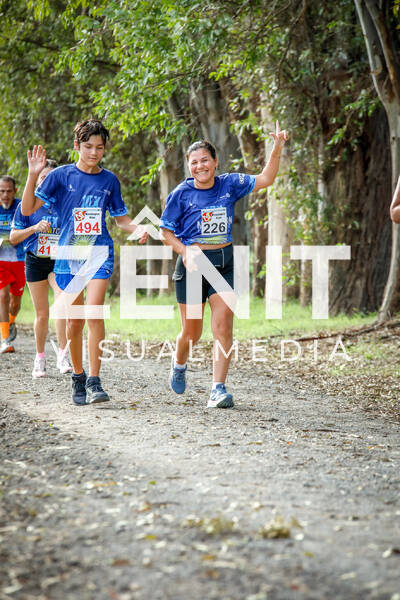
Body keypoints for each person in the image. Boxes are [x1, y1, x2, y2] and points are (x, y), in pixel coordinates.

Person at [159, 121, 289, 408]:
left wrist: (277, 147)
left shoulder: (230, 184)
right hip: (193, 268)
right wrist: (184, 250)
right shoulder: (181, 193)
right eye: (194, 162)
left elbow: (266, 179)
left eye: (205, 160)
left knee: (223, 327)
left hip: (223, 263)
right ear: (188, 166)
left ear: (215, 162)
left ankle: (217, 389)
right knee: (192, 333)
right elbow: (165, 232)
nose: (200, 166)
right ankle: (179, 362)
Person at [21, 118, 148, 405]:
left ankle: (95, 380)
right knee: (75, 321)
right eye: (88, 146)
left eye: (99, 147)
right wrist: (32, 175)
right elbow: (28, 209)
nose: (94, 152)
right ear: (77, 146)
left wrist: (137, 228)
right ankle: (78, 375)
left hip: (99, 253)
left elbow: (121, 219)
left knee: (94, 313)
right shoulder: (60, 176)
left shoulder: (109, 180)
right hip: (68, 257)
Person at [10, 160, 72, 378]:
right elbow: (13, 237)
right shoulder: (27, 205)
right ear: (36, 181)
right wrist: (34, 228)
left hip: (59, 261)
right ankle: (40, 358)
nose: (47, 182)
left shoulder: (65, 203)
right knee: (42, 314)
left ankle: (63, 355)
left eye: (51, 178)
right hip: (35, 260)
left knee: (62, 304)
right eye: (43, 178)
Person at [0, 176, 25, 354]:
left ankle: (11, 320)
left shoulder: (22, 207)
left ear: (15, 191)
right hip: (1, 260)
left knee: (15, 301)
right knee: (3, 295)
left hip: (20, 259)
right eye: (2, 191)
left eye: (9, 191)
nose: (5, 195)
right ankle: (4, 339)